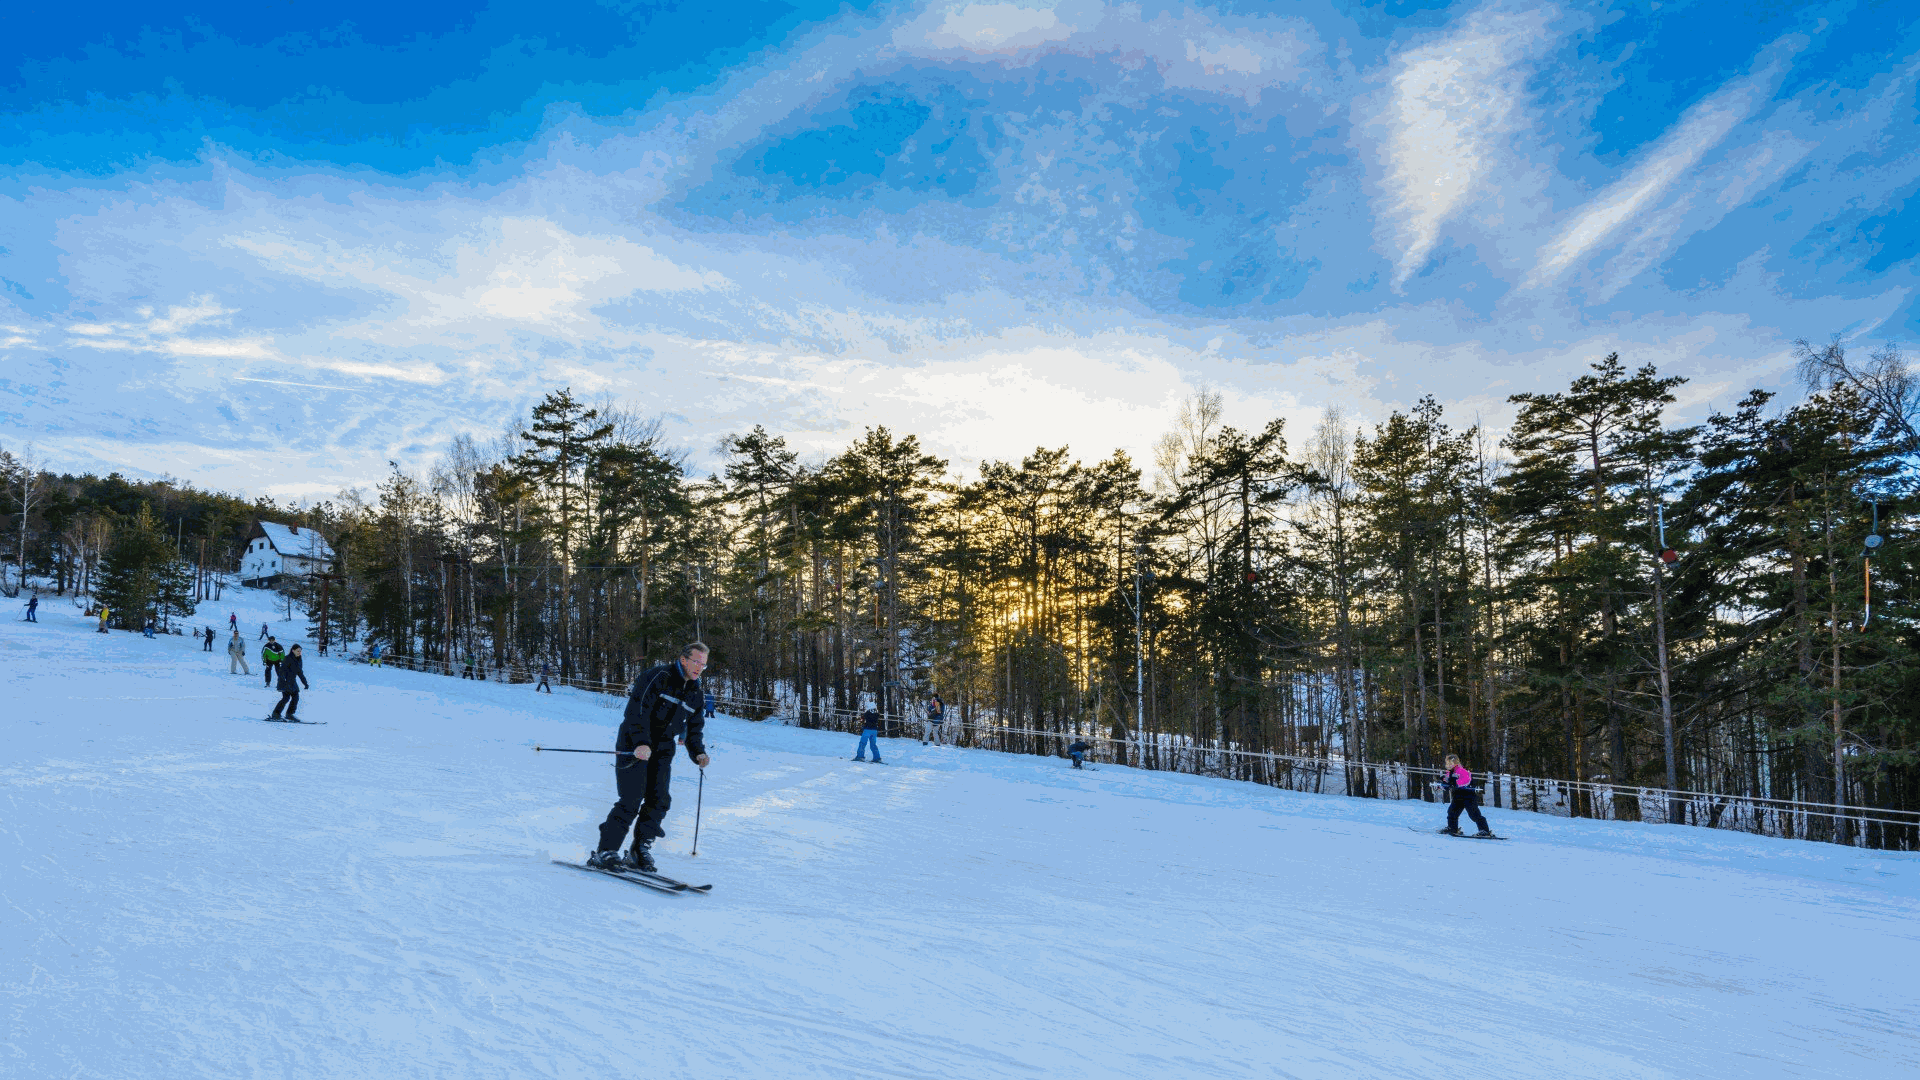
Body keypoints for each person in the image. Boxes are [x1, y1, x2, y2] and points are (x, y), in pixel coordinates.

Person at [589, 642, 713, 873]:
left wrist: (698, 752)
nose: (699, 668)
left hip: (664, 746)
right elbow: (637, 711)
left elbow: (694, 728)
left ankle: (639, 850)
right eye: (696, 662)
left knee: (659, 799)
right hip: (634, 742)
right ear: (683, 659)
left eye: (703, 665)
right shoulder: (658, 676)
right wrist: (641, 742)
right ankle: (606, 850)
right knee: (631, 798)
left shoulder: (695, 692)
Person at [1441, 754, 1494, 837]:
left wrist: (1455, 783)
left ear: (1455, 763)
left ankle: (1484, 830)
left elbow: (1466, 781)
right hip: (1457, 795)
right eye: (1447, 764)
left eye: (1450, 763)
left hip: (1468, 795)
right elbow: (1447, 782)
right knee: (1452, 812)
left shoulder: (1462, 771)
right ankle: (1452, 828)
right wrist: (1442, 785)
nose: (1448, 766)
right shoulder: (1448, 772)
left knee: (1474, 813)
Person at [268, 644, 310, 720]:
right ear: (293, 650)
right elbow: (282, 670)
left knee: (295, 697)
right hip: (285, 681)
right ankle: (276, 714)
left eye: (300, 651)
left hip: (292, 681)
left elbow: (300, 672)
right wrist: (283, 680)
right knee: (286, 698)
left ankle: (289, 714)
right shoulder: (287, 658)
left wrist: (305, 683)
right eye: (298, 651)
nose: (299, 652)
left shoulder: (299, 660)